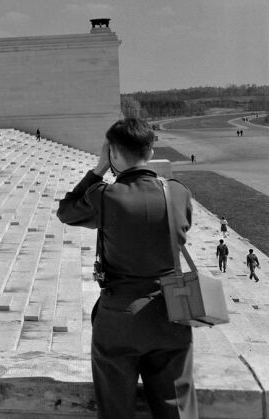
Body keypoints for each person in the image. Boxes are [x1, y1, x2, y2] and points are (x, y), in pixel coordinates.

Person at [57, 118, 196, 419]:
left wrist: (97, 170)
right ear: (150, 148)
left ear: (113, 152)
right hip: (173, 311)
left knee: (115, 411)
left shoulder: (105, 196)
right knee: (178, 411)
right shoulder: (178, 192)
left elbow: (66, 211)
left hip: (119, 316)